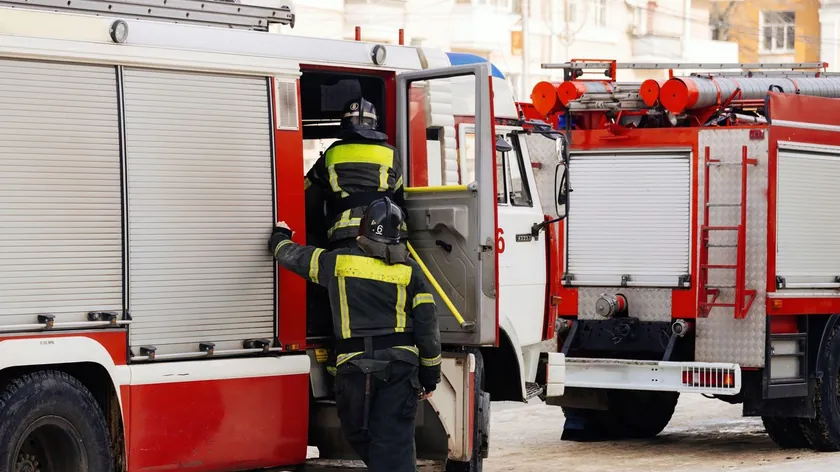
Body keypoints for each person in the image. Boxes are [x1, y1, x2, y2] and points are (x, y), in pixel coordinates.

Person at [269, 197, 441, 472]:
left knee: (359, 433)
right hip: (399, 369)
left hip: (355, 370)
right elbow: (427, 326)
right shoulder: (411, 272)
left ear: (363, 230)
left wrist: (279, 237)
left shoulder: (338, 262)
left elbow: (292, 256)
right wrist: (430, 375)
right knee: (393, 443)